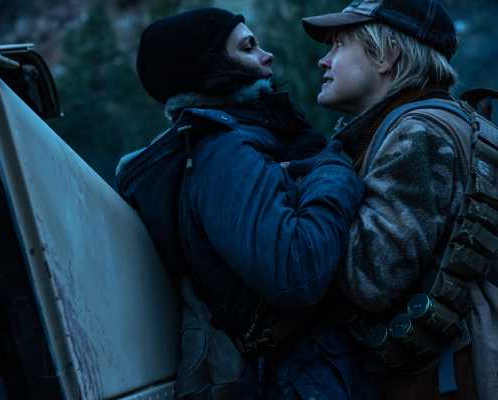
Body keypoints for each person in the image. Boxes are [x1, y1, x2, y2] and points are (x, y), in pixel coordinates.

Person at [116, 7, 373, 399]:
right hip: (300, 378)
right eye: (248, 47)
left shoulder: (239, 139)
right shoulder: (224, 151)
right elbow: (294, 274)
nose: (267, 56)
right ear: (209, 66)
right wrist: (334, 169)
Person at [302, 1, 498, 398]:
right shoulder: (438, 119)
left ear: (387, 56)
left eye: (339, 45)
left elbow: (370, 280)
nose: (324, 61)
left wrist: (323, 182)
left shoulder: (417, 134)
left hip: (445, 377)